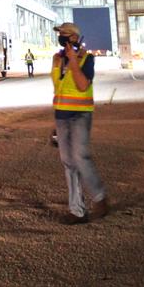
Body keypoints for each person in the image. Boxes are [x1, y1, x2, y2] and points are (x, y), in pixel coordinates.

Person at [50, 22, 108, 224]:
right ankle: (77, 211)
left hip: (80, 114)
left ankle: (100, 198)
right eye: (60, 34)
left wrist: (73, 61)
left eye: (65, 34)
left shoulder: (87, 59)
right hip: (61, 115)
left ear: (75, 37)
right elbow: (59, 88)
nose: (62, 37)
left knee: (80, 156)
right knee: (68, 162)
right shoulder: (57, 59)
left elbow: (83, 85)